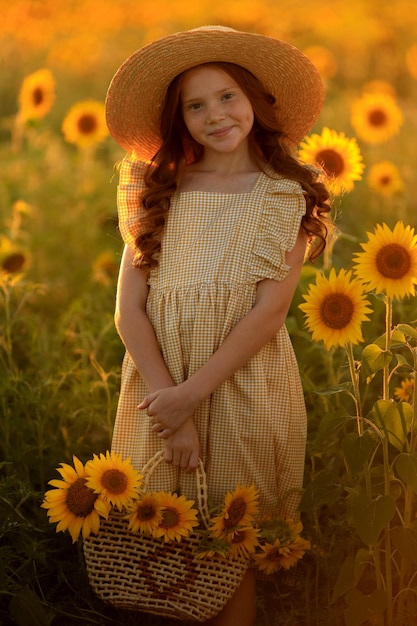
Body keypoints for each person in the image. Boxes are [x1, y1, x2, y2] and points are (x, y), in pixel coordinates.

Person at [105, 25, 331, 626]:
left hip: (241, 387)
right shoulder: (160, 190)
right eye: (196, 105)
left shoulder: (282, 194)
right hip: (158, 387)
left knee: (234, 546)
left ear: (255, 99)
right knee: (159, 543)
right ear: (180, 121)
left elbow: (268, 313)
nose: (216, 114)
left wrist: (193, 397)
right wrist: (169, 402)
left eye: (227, 95)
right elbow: (128, 310)